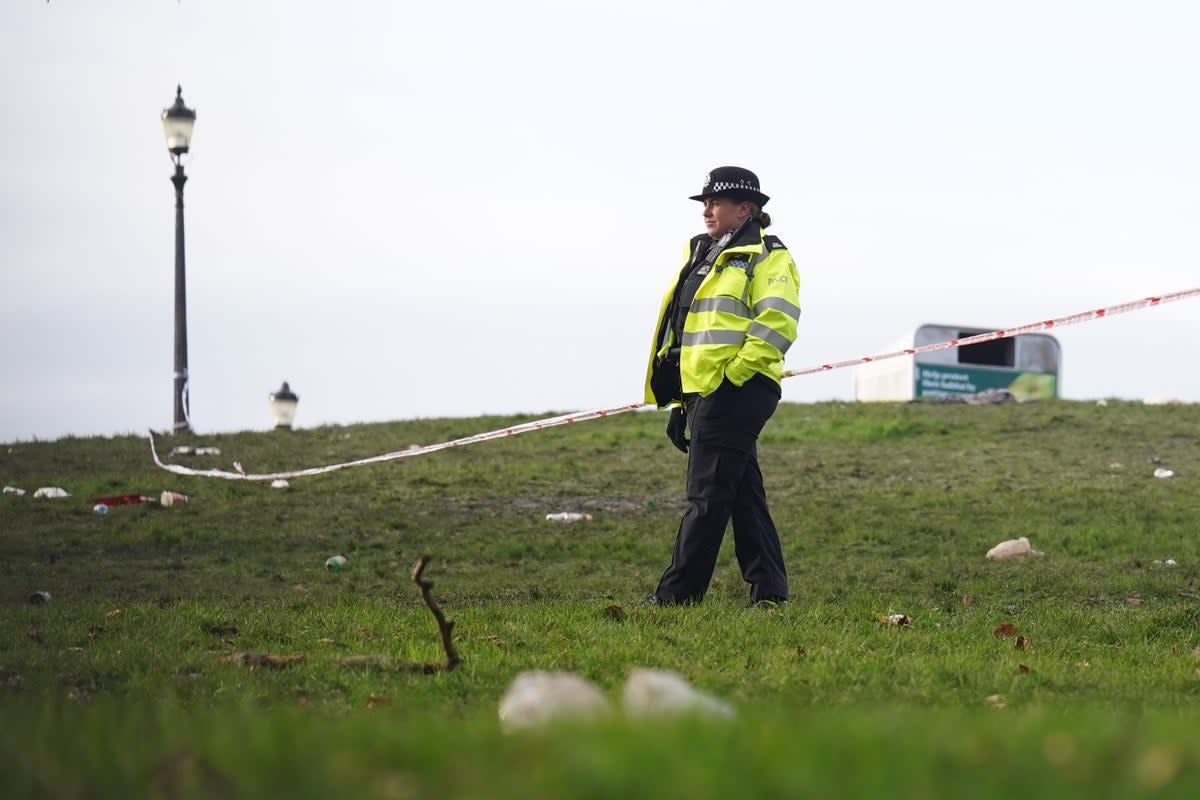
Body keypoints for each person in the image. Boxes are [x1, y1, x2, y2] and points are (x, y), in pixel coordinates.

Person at [643, 166, 801, 606]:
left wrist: (734, 375)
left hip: (737, 388)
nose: (707, 211)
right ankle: (769, 592)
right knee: (741, 494)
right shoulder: (702, 255)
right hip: (702, 392)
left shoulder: (768, 256)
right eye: (705, 203)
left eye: (716, 203)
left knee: (707, 496)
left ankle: (677, 597)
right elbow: (681, 332)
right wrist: (678, 402)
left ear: (744, 209)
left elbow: (777, 323)